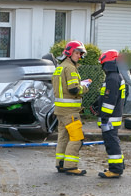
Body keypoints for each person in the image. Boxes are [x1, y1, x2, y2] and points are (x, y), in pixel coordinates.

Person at [53, 40, 92, 175]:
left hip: (60, 110)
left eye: (80, 54)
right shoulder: (70, 68)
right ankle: (70, 166)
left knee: (63, 138)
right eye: (77, 53)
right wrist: (85, 87)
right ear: (69, 53)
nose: (79, 56)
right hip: (70, 111)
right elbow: (74, 89)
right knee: (76, 138)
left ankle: (61, 164)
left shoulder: (60, 67)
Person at [96, 50, 126, 178]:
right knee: (114, 141)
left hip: (109, 118)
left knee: (111, 142)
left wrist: (103, 116)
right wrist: (97, 104)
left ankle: (115, 169)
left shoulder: (112, 78)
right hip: (113, 116)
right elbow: (108, 97)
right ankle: (119, 165)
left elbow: (109, 100)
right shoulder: (116, 76)